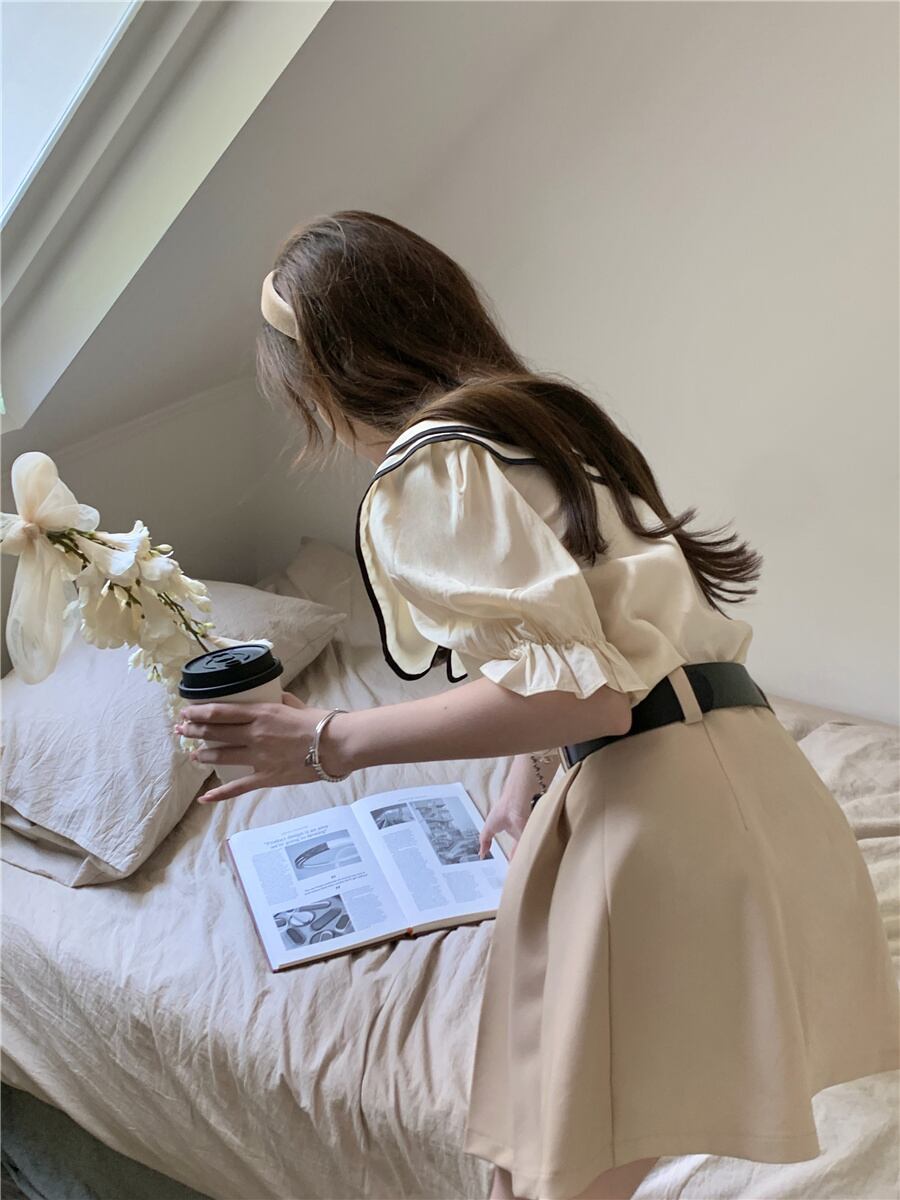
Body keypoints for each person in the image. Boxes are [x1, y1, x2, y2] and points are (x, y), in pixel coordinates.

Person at [174, 211, 899, 1200]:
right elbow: (589, 637)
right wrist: (527, 772)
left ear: (330, 376)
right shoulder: (543, 423)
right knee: (545, 1148)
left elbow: (586, 693)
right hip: (758, 776)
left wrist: (324, 741)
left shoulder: (430, 468)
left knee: (558, 1166)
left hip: (665, 818)